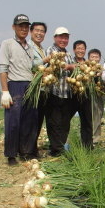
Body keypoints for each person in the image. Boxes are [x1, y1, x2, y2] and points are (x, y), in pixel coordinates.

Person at [0, 14, 37, 165]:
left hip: (29, 85)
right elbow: (2, 68)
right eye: (20, 26)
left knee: (28, 120)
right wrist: (5, 91)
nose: (24, 29)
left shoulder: (30, 47)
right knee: (13, 122)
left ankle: (25, 151)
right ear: (14, 27)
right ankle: (11, 155)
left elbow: (32, 68)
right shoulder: (7, 44)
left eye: (26, 26)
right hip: (15, 85)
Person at [45, 27, 75, 156]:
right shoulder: (51, 50)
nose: (64, 40)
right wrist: (69, 67)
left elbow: (71, 70)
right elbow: (54, 67)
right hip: (54, 92)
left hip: (66, 93)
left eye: (66, 37)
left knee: (64, 123)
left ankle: (61, 147)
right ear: (55, 38)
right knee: (54, 122)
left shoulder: (68, 54)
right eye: (61, 37)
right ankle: (56, 150)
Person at [29, 22, 48, 157]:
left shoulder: (41, 48)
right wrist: (45, 60)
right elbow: (29, 63)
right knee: (30, 121)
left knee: (38, 120)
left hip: (41, 89)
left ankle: (33, 148)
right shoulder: (27, 46)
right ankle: (28, 150)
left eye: (42, 31)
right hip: (32, 88)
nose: (39, 33)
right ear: (31, 31)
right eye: (37, 30)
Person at [71, 40, 93, 148]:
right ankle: (63, 145)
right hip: (72, 94)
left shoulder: (88, 63)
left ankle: (87, 145)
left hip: (86, 94)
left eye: (82, 48)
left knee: (87, 121)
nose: (80, 50)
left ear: (85, 50)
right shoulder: (70, 62)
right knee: (66, 120)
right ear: (74, 50)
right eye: (78, 48)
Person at [88, 48, 104, 145]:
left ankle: (96, 139)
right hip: (88, 96)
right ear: (89, 58)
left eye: (96, 57)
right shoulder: (85, 68)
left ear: (99, 58)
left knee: (99, 115)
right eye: (92, 56)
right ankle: (89, 139)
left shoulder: (102, 69)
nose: (94, 58)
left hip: (99, 96)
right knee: (90, 117)